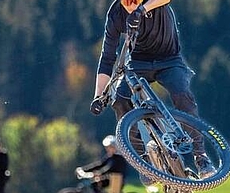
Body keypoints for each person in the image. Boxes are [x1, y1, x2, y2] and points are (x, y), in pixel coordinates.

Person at [89, 0, 216, 180]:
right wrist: (98, 96)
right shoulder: (115, 15)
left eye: (134, 1)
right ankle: (144, 161)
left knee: (182, 95)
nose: (130, 5)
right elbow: (107, 58)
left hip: (170, 60)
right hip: (137, 62)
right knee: (120, 100)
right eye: (126, 2)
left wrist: (142, 10)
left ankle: (200, 157)